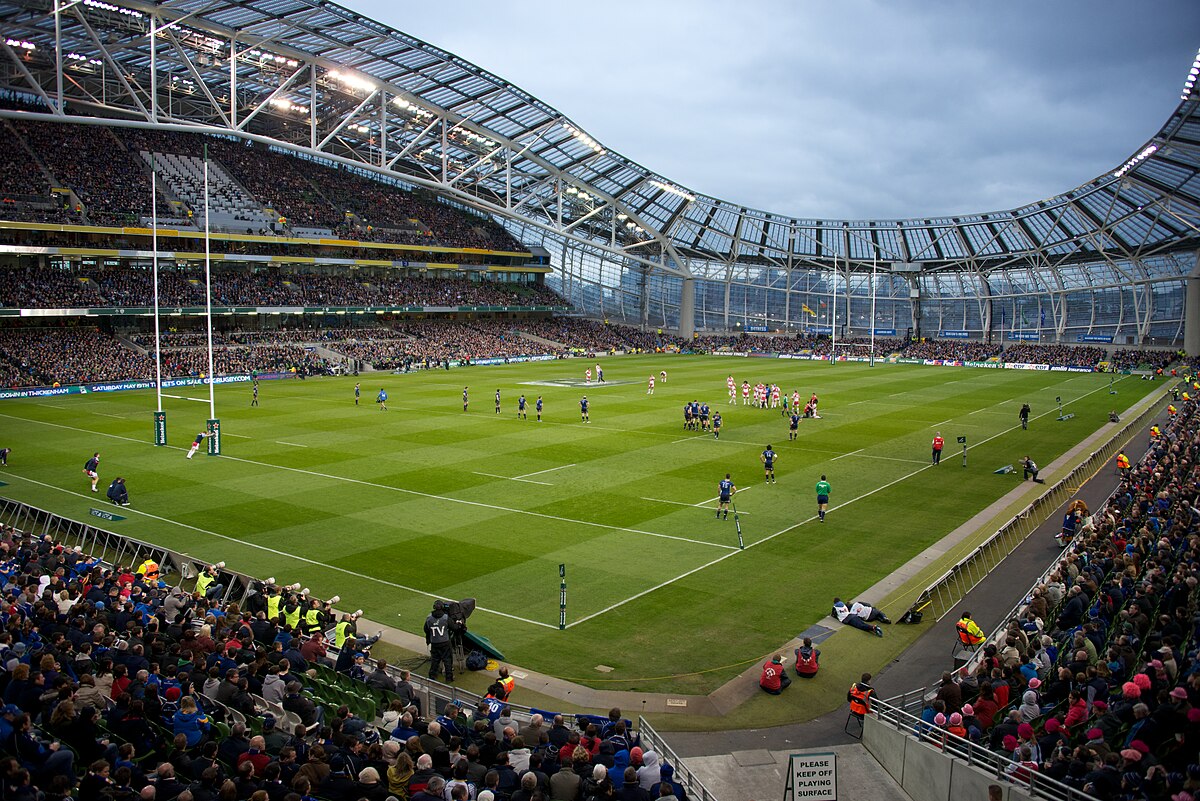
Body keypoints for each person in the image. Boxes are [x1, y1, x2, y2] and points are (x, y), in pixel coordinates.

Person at [424, 601, 453, 683]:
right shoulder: (445, 617)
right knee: (447, 660)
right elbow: (454, 627)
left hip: (434, 643)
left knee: (435, 660)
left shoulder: (429, 618)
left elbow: (426, 629)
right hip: (445, 642)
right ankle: (449, 678)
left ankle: (432, 676)